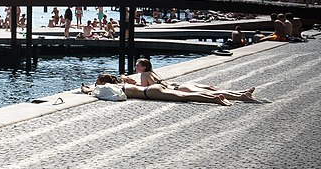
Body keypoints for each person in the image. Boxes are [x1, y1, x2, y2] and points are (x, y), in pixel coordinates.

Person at [123, 58, 256, 101]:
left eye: (137, 66)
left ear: (143, 67)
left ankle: (241, 97)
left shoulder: (144, 75)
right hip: (178, 84)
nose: (135, 67)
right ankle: (240, 93)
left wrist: (129, 82)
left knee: (210, 93)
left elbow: (143, 88)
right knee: (211, 89)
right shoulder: (152, 72)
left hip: (178, 88)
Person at [82, 74, 233, 106]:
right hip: (152, 88)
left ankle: (213, 99)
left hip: (150, 93)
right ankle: (213, 97)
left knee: (183, 97)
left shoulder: (108, 87)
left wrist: (87, 90)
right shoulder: (118, 83)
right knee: (184, 95)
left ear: (102, 82)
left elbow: (96, 91)